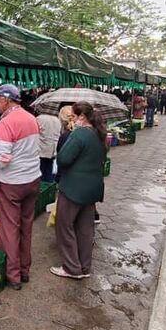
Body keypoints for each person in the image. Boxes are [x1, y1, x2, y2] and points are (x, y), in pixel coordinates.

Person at [0, 84, 41, 290]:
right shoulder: (31, 118)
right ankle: (24, 270)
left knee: (9, 228)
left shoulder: (6, 122)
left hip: (12, 183)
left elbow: (3, 160)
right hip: (33, 179)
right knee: (26, 226)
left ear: (7, 100)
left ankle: (12, 275)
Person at [51, 101, 106, 279]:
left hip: (74, 188)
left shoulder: (80, 134)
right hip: (92, 188)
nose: (72, 120)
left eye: (74, 117)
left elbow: (63, 159)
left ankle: (71, 267)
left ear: (82, 117)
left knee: (64, 225)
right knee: (85, 229)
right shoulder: (99, 134)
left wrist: (72, 137)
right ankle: (84, 267)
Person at [36, 112, 61, 182]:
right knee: (49, 172)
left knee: (39, 174)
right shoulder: (57, 119)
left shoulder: (39, 118)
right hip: (52, 150)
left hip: (41, 150)